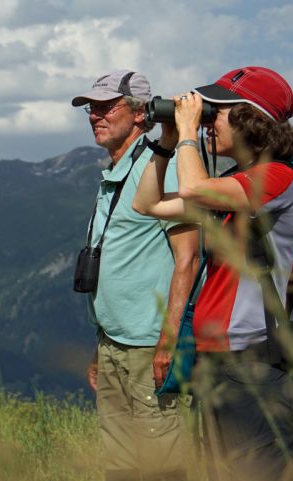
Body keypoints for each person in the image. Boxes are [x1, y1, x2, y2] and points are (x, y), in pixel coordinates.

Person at [131, 66, 293, 481]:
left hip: (255, 364)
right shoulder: (233, 184)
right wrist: (168, 142)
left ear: (251, 120)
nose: (210, 121)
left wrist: (190, 131)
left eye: (218, 112)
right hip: (216, 362)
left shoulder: (280, 178)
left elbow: (192, 190)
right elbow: (148, 205)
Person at [70, 69, 199, 480]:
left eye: (107, 106)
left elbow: (188, 258)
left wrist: (169, 340)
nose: (95, 115)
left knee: (162, 464)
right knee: (120, 464)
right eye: (92, 108)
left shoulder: (162, 166)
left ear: (141, 113)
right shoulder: (115, 172)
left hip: (149, 346)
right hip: (113, 343)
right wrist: (101, 342)